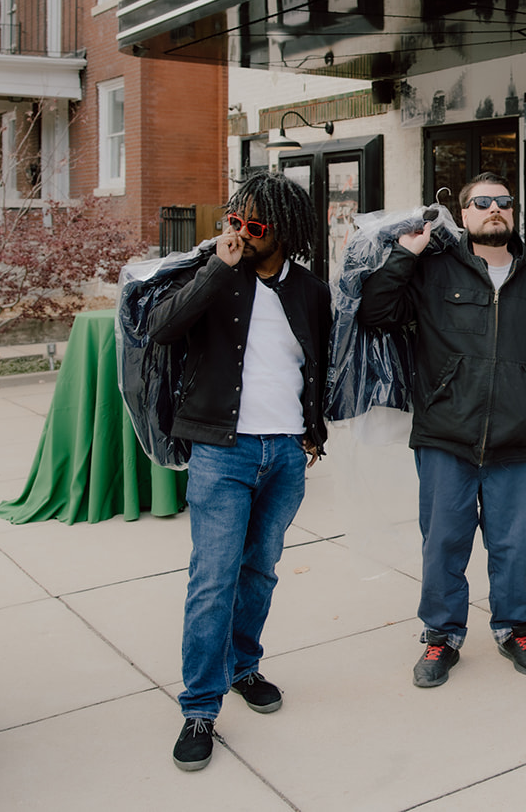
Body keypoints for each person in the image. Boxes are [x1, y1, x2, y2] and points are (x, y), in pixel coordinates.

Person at [358, 172, 526, 688]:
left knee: (513, 545)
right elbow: (375, 313)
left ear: (514, 212)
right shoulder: (432, 273)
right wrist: (405, 256)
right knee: (443, 543)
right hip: (445, 436)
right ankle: (441, 638)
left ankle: (514, 630)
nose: (495, 209)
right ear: (464, 216)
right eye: (482, 203)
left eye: (504, 202)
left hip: (512, 441)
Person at [147, 171, 331, 772]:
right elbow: (161, 328)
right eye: (234, 221)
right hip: (222, 452)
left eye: (254, 227)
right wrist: (218, 269)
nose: (240, 234)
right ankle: (200, 706)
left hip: (284, 454)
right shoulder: (214, 275)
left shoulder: (309, 289)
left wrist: (312, 432)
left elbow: (317, 365)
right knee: (213, 579)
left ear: (284, 233)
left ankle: (243, 668)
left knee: (260, 571)